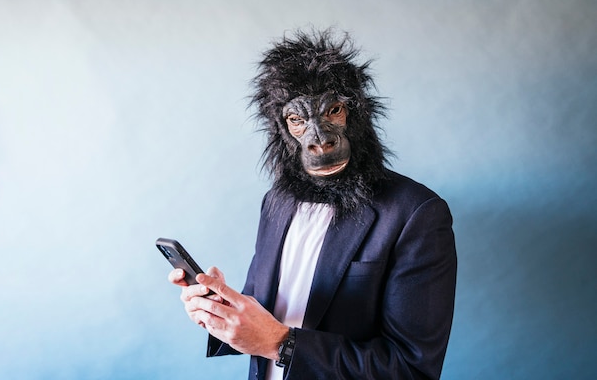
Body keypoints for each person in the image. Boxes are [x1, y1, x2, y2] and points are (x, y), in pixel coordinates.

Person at [168, 28, 457, 380]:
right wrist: (222, 310)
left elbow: (412, 369)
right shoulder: (276, 202)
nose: (320, 141)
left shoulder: (415, 213)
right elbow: (265, 317)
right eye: (298, 120)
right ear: (282, 133)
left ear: (358, 114)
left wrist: (281, 344)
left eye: (332, 111)